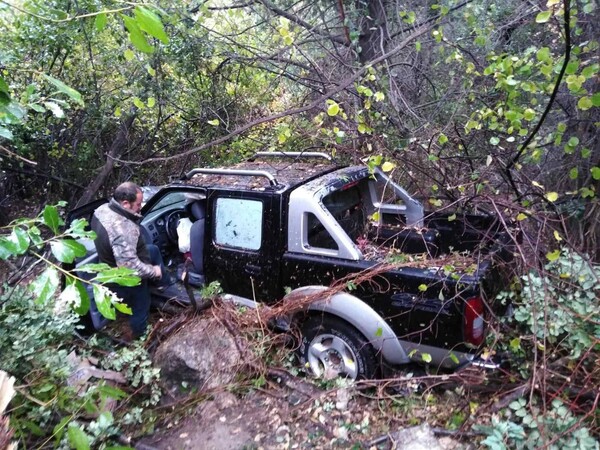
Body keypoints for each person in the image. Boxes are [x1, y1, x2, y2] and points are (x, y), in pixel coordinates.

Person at [91, 182, 166, 340]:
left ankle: (163, 284)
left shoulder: (101, 210)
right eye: (138, 204)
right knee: (140, 307)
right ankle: (140, 338)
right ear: (125, 203)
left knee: (153, 250)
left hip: (108, 264)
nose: (140, 207)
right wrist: (154, 271)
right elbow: (130, 268)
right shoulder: (123, 229)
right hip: (124, 280)